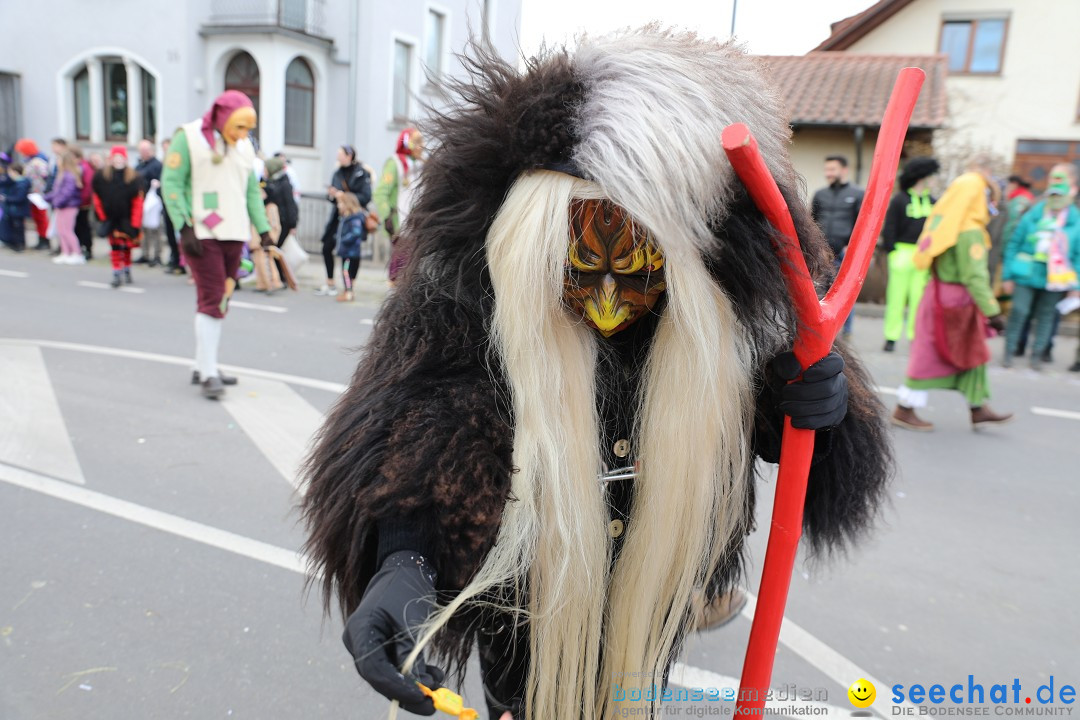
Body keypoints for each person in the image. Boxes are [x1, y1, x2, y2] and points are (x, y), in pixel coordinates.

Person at [301, 31, 892, 720]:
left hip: (657, 585)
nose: (608, 300)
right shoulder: (467, 293)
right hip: (522, 595)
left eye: (635, 260)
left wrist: (824, 412)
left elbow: (801, 452)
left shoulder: (738, 307)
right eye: (582, 260)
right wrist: (406, 559)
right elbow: (426, 417)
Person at [161, 90, 272, 399]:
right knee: (212, 300)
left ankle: (203, 365)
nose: (243, 134)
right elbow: (171, 183)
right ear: (223, 117)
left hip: (235, 234)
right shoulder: (189, 137)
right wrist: (183, 226)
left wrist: (263, 229)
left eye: (248, 128)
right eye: (239, 127)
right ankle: (209, 372)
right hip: (202, 234)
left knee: (220, 299)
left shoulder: (245, 146)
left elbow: (250, 190)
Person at [892, 155, 1012, 432]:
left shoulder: (947, 225)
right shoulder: (970, 231)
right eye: (986, 197)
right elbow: (975, 277)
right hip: (956, 301)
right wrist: (993, 312)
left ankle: (978, 407)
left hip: (940, 297)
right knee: (931, 355)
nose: (989, 203)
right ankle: (905, 408)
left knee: (971, 352)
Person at [1001, 164, 1080, 370]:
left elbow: (1078, 256)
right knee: (1019, 311)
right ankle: (1009, 352)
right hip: (1027, 273)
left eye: (1060, 181)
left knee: (1046, 316)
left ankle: (1036, 356)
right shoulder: (1033, 214)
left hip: (1055, 279)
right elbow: (1014, 243)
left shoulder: (1074, 221)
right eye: (1053, 181)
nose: (1056, 190)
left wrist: (1076, 286)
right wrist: (1007, 275)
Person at [881, 157, 939, 351]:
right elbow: (889, 227)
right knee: (896, 297)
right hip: (901, 252)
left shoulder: (933, 202)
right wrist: (892, 251)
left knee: (919, 299)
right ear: (922, 176)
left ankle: (916, 337)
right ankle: (891, 337)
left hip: (923, 254)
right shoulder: (900, 200)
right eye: (931, 176)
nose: (933, 180)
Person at [811, 155, 864, 337]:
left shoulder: (857, 194)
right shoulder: (820, 195)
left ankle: (846, 331)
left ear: (844, 170)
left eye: (832, 169)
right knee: (820, 290)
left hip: (845, 253)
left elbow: (862, 224)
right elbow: (812, 222)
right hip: (822, 253)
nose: (828, 173)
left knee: (844, 292)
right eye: (827, 170)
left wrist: (852, 248)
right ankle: (823, 330)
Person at [316, 145, 371, 296]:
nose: (337, 157)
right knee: (327, 247)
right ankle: (331, 282)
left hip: (354, 216)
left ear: (349, 156)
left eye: (340, 154)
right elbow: (332, 197)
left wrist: (345, 197)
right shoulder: (337, 173)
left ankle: (349, 286)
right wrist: (333, 195)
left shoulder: (361, 173)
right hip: (338, 217)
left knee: (352, 252)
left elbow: (366, 196)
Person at [373, 128, 423, 283]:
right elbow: (381, 193)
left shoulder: (421, 164)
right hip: (399, 222)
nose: (422, 146)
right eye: (418, 142)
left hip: (417, 222)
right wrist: (387, 216)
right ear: (409, 144)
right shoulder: (394, 163)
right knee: (400, 264)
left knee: (412, 264)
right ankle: (396, 297)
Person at [92, 146, 145, 287]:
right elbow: (97, 197)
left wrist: (135, 222)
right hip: (111, 218)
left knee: (126, 246)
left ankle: (127, 268)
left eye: (121, 158)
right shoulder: (102, 176)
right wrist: (102, 216)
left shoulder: (134, 177)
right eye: (116, 158)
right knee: (115, 246)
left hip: (127, 218)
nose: (118, 161)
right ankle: (116, 272)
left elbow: (138, 201)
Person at [43, 149, 85, 265]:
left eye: (59, 159)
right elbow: (57, 191)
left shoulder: (70, 175)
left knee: (67, 230)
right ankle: (65, 252)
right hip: (61, 206)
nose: (57, 161)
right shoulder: (62, 174)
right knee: (61, 230)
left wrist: (57, 202)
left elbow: (67, 193)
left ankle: (77, 253)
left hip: (68, 206)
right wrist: (45, 198)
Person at [14, 138, 52, 251]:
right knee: (37, 217)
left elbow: (45, 176)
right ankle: (40, 238)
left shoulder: (38, 161)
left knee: (41, 217)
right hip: (32, 194)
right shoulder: (29, 160)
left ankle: (45, 240)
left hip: (38, 194)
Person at [135, 139, 165, 267]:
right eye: (141, 150)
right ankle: (145, 253)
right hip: (142, 201)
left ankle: (157, 255)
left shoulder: (156, 165)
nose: (143, 153)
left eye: (145, 150)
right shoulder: (140, 164)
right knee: (144, 229)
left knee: (155, 229)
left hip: (154, 204)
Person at [333, 191, 366, 302]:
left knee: (346, 272)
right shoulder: (346, 217)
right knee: (349, 272)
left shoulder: (354, 218)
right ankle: (349, 291)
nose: (338, 205)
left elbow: (356, 233)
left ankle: (348, 292)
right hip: (349, 251)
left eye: (340, 203)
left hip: (349, 252)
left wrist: (343, 240)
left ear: (347, 204)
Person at [159, 138, 184, 275]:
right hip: (166, 206)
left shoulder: (180, 164)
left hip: (178, 206)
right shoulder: (164, 164)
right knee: (170, 235)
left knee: (180, 235)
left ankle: (181, 263)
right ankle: (174, 260)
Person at [69, 147, 96, 260]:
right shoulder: (77, 167)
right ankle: (79, 247)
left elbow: (88, 187)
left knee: (83, 226)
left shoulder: (84, 167)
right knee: (77, 226)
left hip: (82, 203)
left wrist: (82, 200)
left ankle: (87, 248)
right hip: (76, 202)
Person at [0, 161, 32, 252]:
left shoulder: (21, 183)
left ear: (15, 172)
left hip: (19, 210)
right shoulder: (15, 183)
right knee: (15, 228)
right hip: (14, 210)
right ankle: (16, 244)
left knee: (19, 228)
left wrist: (6, 199)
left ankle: (20, 245)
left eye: (10, 172)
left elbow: (19, 198)